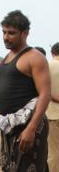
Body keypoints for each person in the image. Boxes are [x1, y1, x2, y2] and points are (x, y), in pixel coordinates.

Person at [0, 10, 50, 172]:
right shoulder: (6, 58)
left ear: (25, 33)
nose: (6, 37)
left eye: (11, 33)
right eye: (4, 32)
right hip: (9, 127)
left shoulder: (34, 58)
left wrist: (31, 128)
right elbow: (6, 98)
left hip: (28, 126)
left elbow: (45, 94)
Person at [46, 42, 59, 172]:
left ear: (52, 52)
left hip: (51, 115)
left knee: (53, 151)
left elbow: (43, 91)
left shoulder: (48, 66)